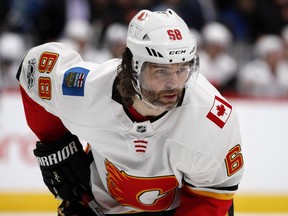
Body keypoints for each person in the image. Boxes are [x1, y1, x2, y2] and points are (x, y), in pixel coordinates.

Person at [16, 9, 244, 216]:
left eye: (182, 69)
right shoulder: (87, 90)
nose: (174, 84)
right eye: (161, 71)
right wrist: (55, 144)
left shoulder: (210, 120)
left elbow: (210, 198)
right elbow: (34, 67)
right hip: (101, 202)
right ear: (132, 64)